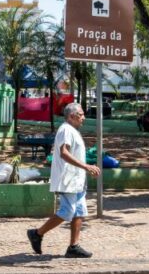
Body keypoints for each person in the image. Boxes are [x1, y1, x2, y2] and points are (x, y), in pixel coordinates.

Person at [27, 103, 101, 258]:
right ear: (72, 116)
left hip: (76, 180)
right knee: (67, 211)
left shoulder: (72, 130)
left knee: (79, 212)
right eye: (81, 114)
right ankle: (37, 233)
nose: (83, 117)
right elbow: (64, 153)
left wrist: (85, 169)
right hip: (67, 179)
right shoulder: (66, 130)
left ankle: (73, 247)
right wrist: (86, 166)